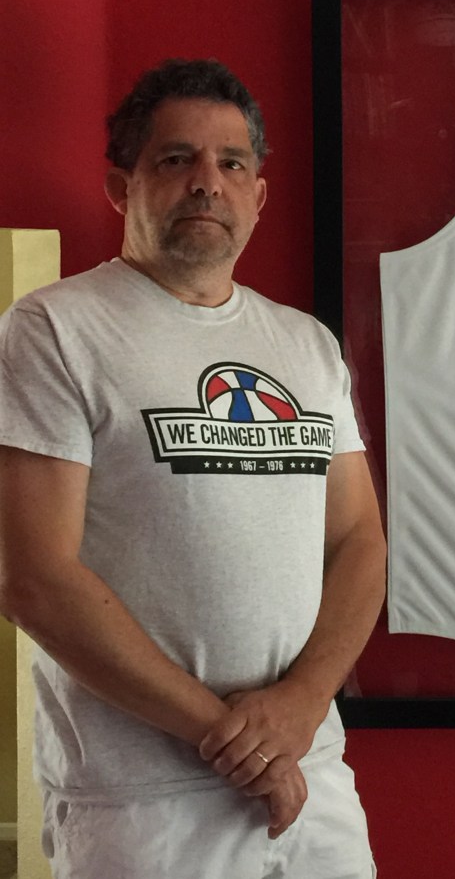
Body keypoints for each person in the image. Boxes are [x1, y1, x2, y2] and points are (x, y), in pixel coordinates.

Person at [0, 59, 386, 878]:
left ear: (259, 195)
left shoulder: (306, 345)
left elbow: (359, 540)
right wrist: (233, 739)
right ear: (122, 186)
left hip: (313, 781)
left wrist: (299, 709)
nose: (208, 182)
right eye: (177, 158)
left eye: (232, 163)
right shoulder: (55, 329)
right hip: (143, 804)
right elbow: (32, 577)